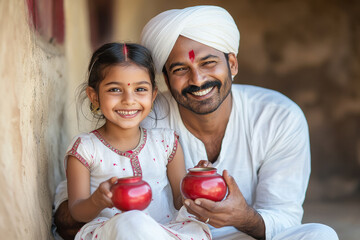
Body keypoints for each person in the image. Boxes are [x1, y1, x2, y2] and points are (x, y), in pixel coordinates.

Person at [54, 5, 339, 240]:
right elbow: (67, 216)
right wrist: (101, 202)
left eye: (208, 63)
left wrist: (243, 217)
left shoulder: (278, 118)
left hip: (229, 236)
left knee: (321, 235)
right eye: (180, 69)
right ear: (165, 80)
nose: (198, 80)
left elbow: (284, 217)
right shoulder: (140, 116)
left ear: (233, 64)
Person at [61, 42, 211, 240]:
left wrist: (195, 186)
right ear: (94, 96)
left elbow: (178, 199)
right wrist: (97, 201)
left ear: (153, 94)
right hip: (114, 233)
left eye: (140, 89)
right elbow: (77, 211)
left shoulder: (166, 143)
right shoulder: (86, 148)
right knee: (132, 222)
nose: (129, 100)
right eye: (115, 90)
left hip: (162, 230)